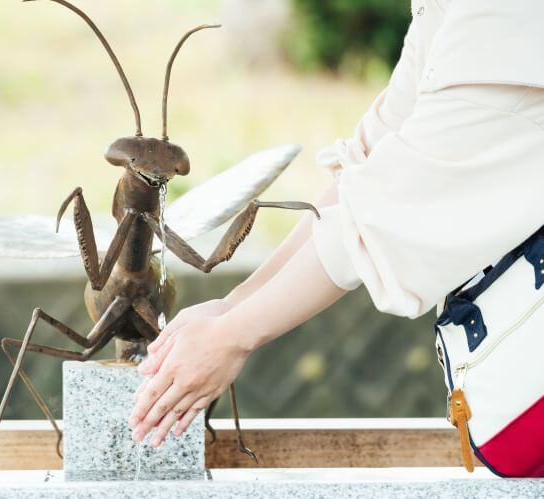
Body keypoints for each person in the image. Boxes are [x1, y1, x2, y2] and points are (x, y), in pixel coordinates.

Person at [129, 0, 544, 448]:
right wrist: (230, 307)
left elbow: (382, 214)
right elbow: (363, 169)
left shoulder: (507, 17)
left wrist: (233, 335)